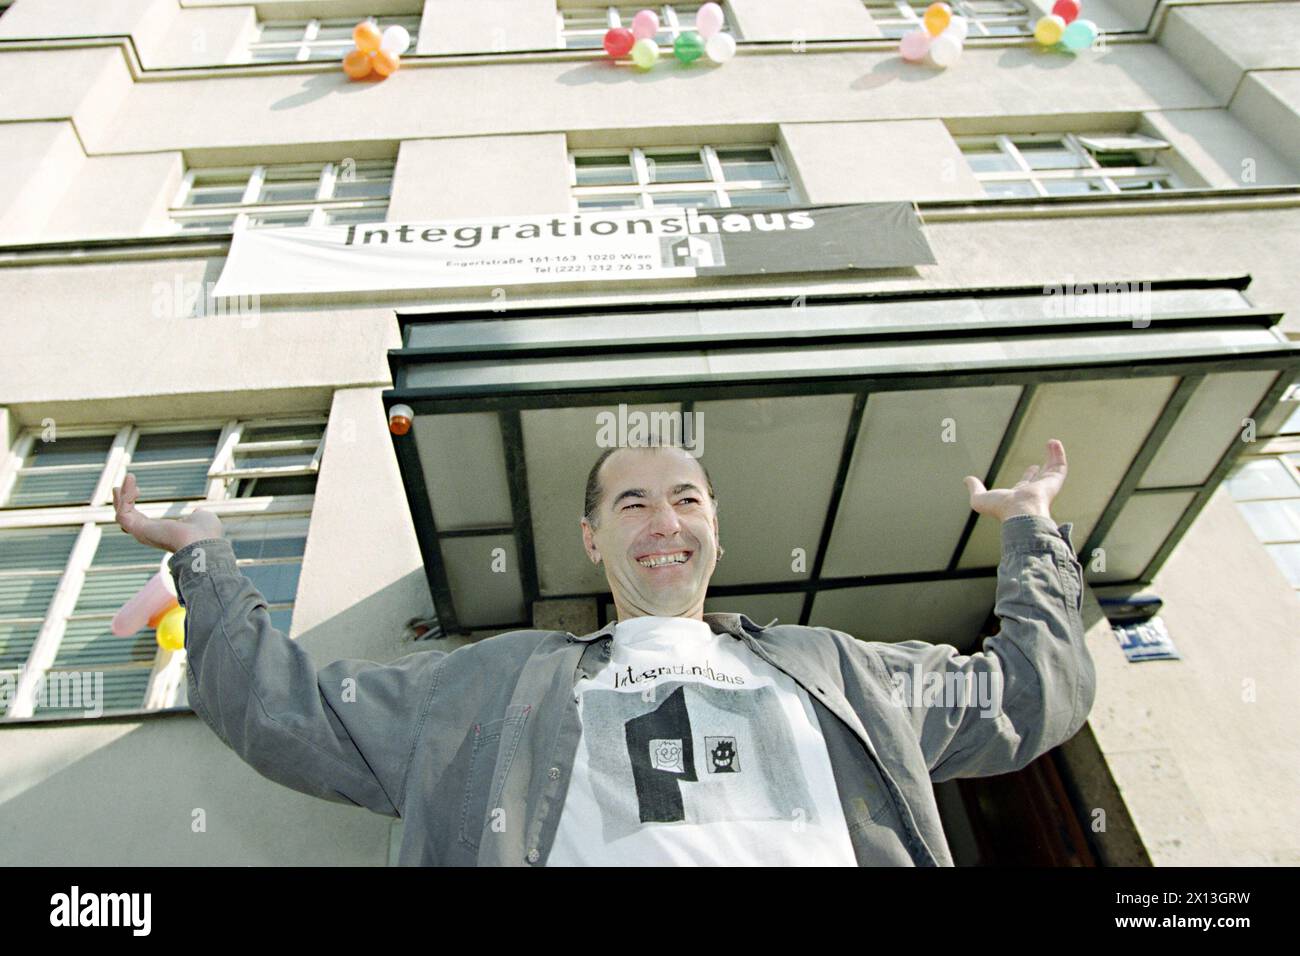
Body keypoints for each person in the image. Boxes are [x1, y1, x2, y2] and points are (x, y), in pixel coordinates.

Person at [112, 436, 1094, 866]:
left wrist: (1031, 529)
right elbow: (281, 709)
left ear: (715, 524)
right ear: (592, 539)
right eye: (631, 500)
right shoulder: (491, 684)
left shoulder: (838, 671)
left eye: (685, 497)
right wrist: (207, 559)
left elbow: (1028, 690)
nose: (661, 519)